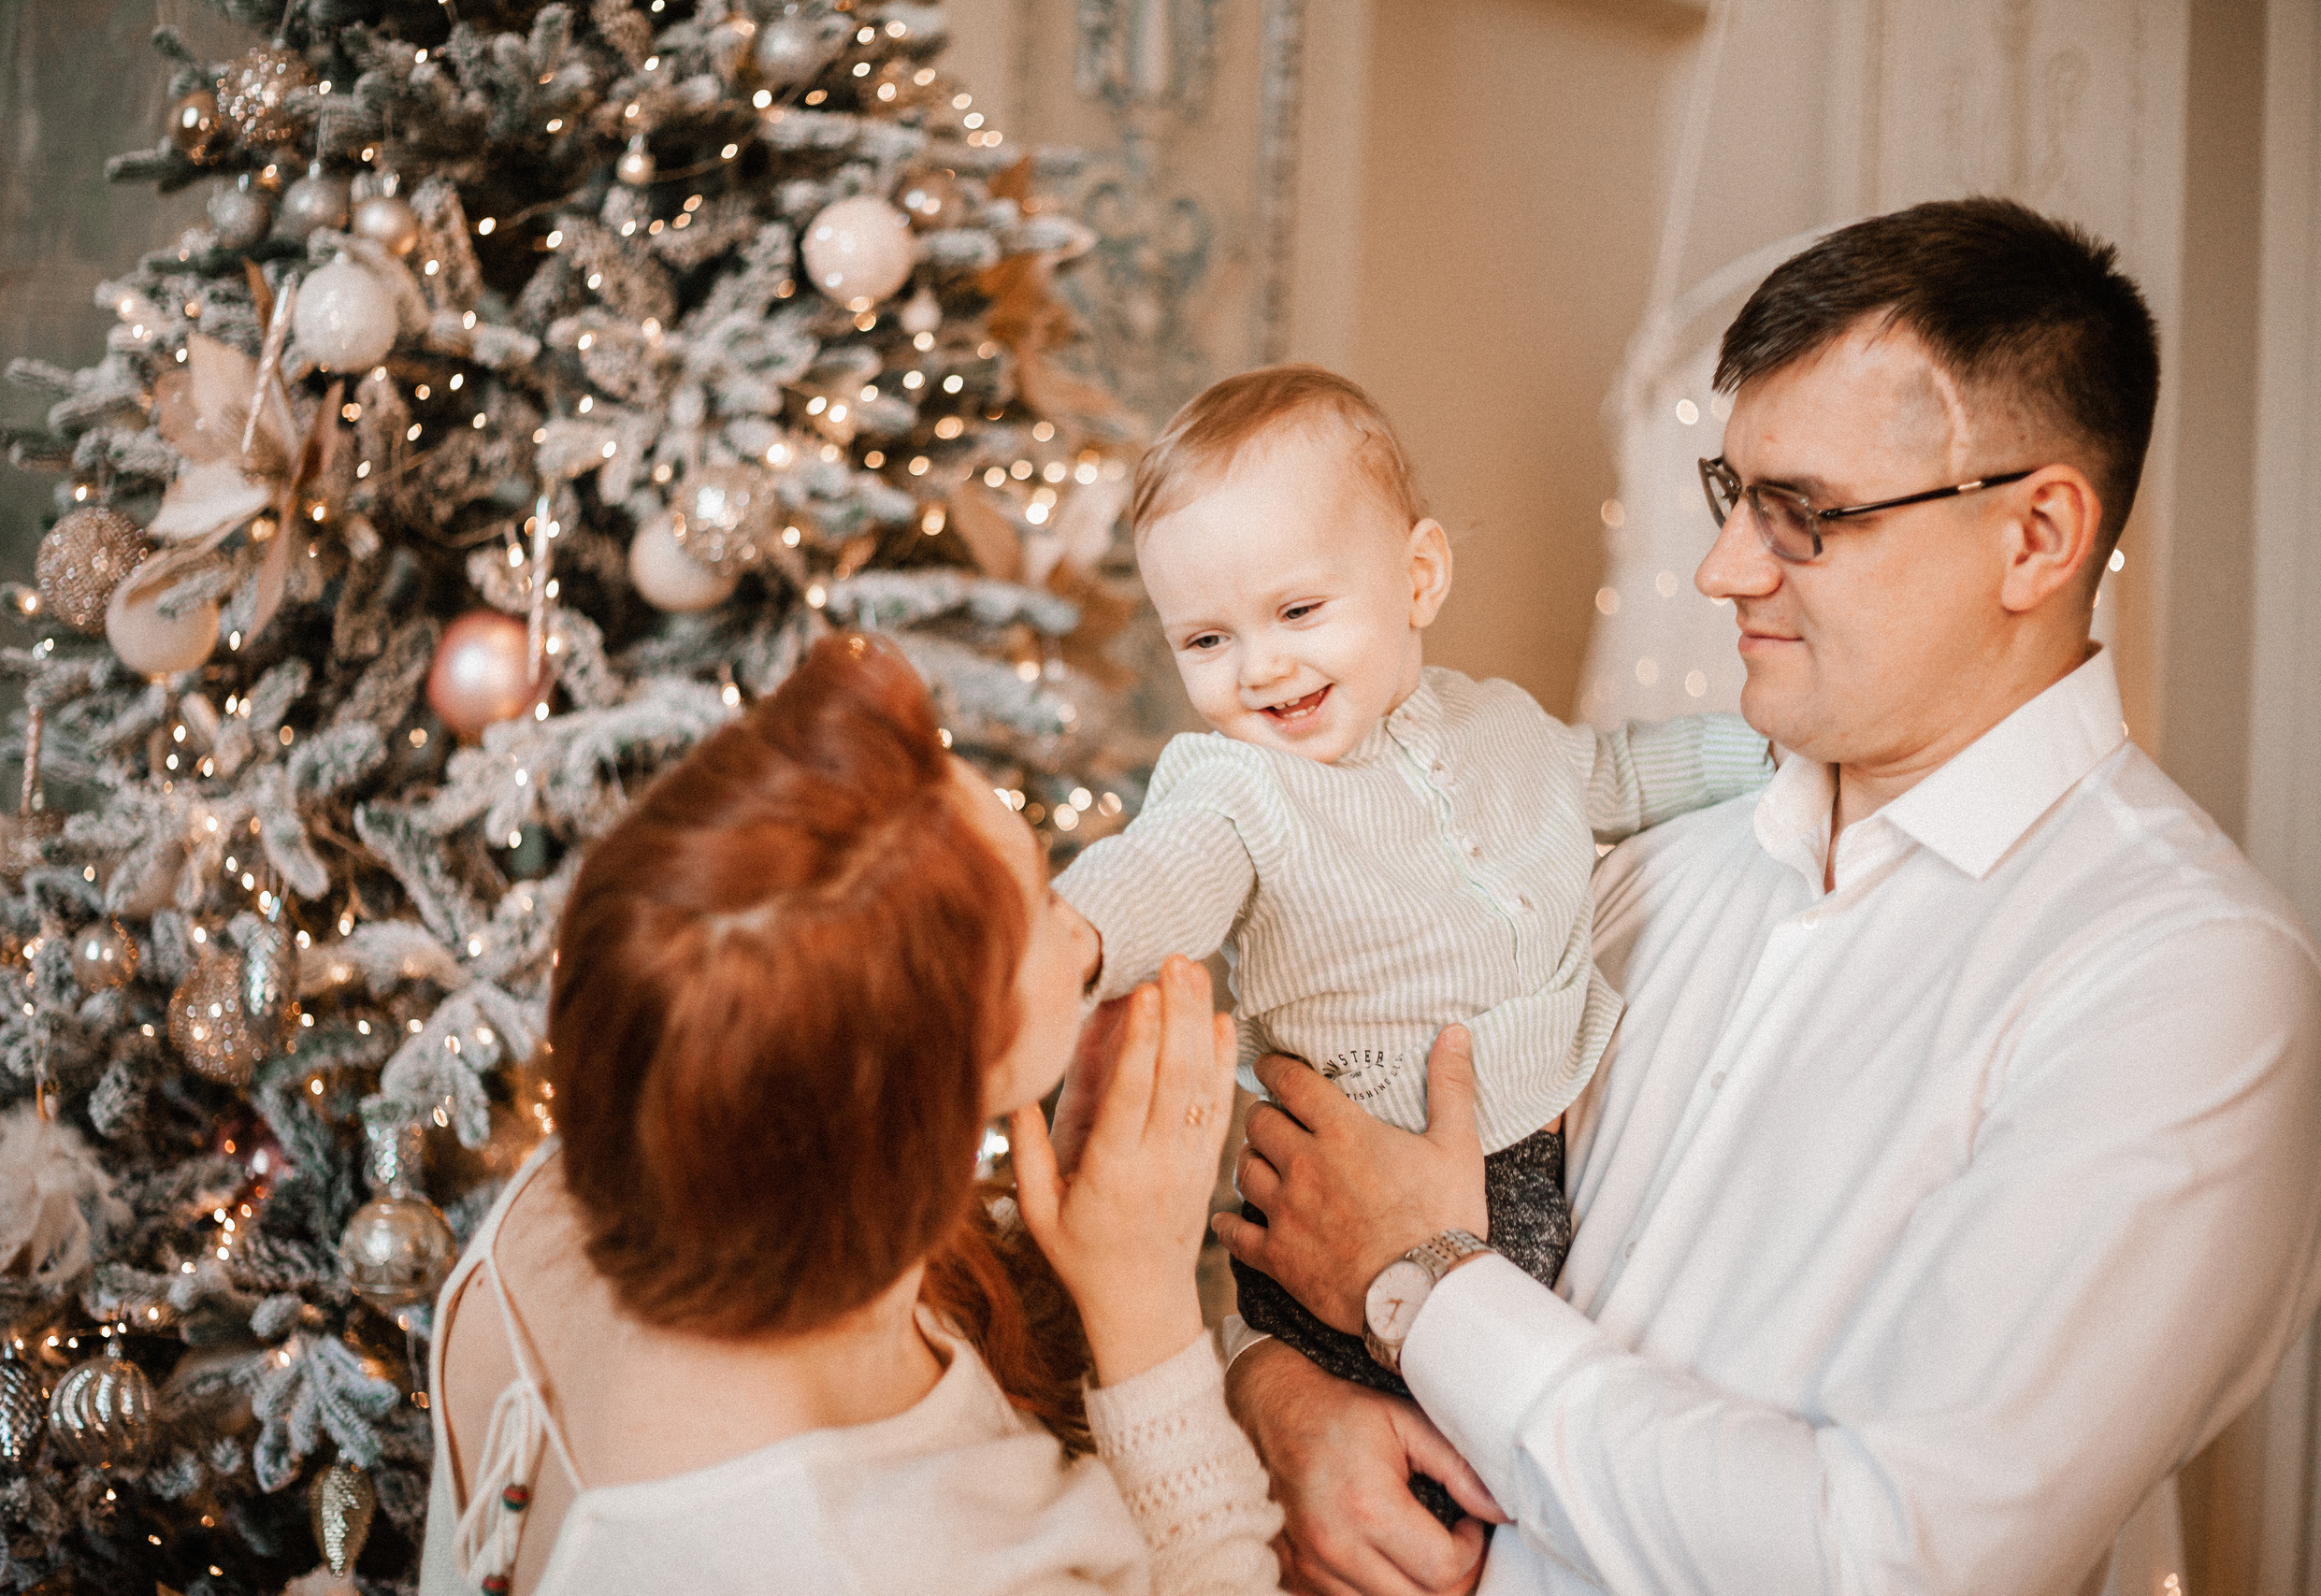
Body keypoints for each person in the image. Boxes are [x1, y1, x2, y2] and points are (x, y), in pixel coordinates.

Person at [1212, 196, 2321, 1596]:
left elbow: (1888, 1558)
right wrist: (1282, 1398)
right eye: (1732, 494)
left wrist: (1417, 1285)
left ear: (2038, 537)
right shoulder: (1645, 865)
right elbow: (1306, 1200)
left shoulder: (2185, 981)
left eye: (1803, 514)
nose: (1725, 569)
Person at [418, 633, 1288, 1595]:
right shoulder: (911, 1564)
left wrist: (1052, 1269)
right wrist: (1148, 1311)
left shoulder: (566, 1200)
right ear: (954, 1079)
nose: (1082, 925)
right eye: (1043, 899)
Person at [1052, 367, 1771, 1465]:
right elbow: (1164, 868)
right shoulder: (1236, 788)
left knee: (1535, 1457)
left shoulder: (1502, 726)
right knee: (1437, 1483)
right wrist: (1074, 935)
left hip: (1530, 1168)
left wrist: (1771, 750)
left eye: (1297, 611)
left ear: (1419, 576)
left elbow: (1616, 775)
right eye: (1205, 641)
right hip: (1348, 1202)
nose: (1262, 667)